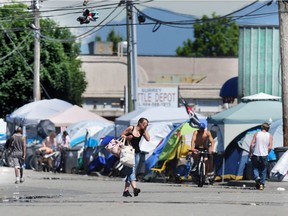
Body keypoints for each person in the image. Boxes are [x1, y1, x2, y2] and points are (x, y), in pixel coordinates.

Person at [121, 117, 150, 197]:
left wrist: (145, 129)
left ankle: (126, 191)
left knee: (131, 171)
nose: (145, 125)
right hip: (128, 152)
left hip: (137, 153)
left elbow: (148, 139)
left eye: (146, 125)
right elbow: (122, 135)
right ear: (139, 123)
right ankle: (135, 188)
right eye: (144, 124)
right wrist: (127, 137)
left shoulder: (142, 131)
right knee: (132, 171)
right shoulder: (131, 128)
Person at [249, 122, 273, 190]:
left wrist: (251, 153)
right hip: (264, 155)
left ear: (262, 128)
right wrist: (267, 152)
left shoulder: (257, 134)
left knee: (255, 168)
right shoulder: (270, 136)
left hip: (256, 154)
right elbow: (270, 147)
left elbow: (251, 145)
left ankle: (257, 178)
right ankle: (262, 184)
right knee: (263, 169)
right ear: (268, 128)